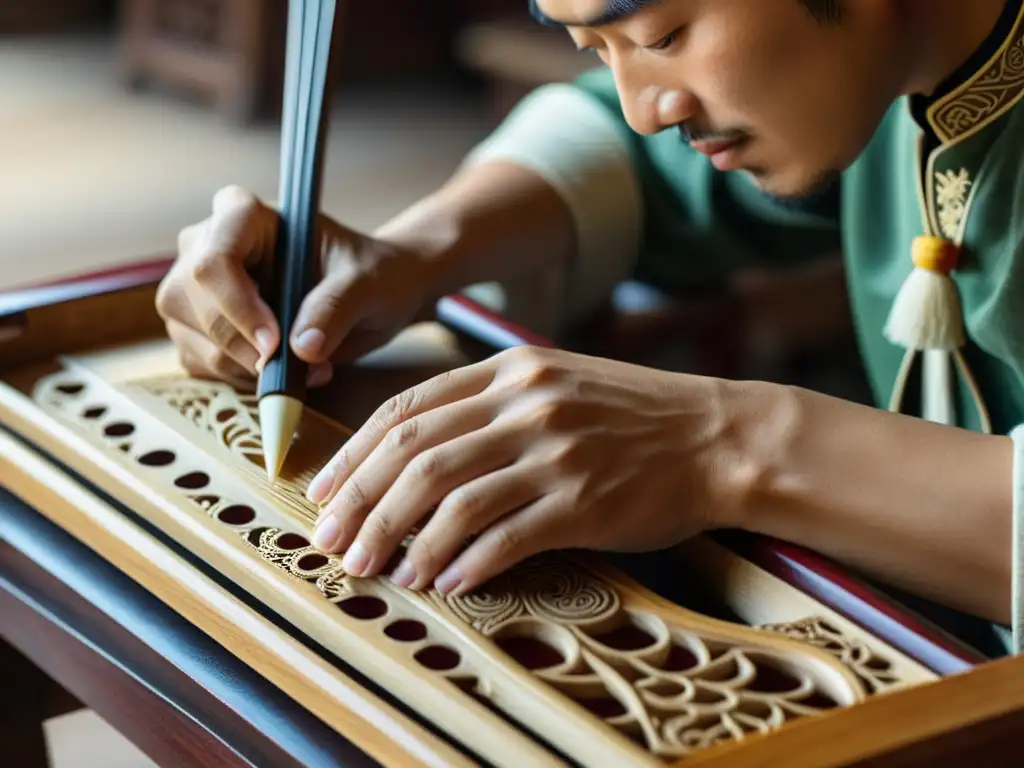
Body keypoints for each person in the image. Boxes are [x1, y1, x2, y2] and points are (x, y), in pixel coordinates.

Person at [156, 0, 1024, 656]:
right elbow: (630, 152)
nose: (646, 105)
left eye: (658, 37)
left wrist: (726, 441)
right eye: (595, 47)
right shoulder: (873, 70)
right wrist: (406, 255)